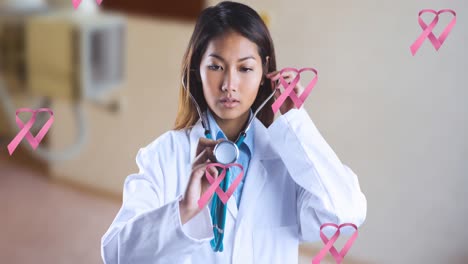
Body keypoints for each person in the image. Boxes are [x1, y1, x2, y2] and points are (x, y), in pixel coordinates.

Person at [100, 1, 367, 263]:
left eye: (245, 68)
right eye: (216, 67)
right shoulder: (163, 155)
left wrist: (297, 124)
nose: (229, 84)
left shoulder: (290, 160)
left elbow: (344, 214)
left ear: (264, 72)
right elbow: (116, 254)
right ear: (197, 71)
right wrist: (184, 210)